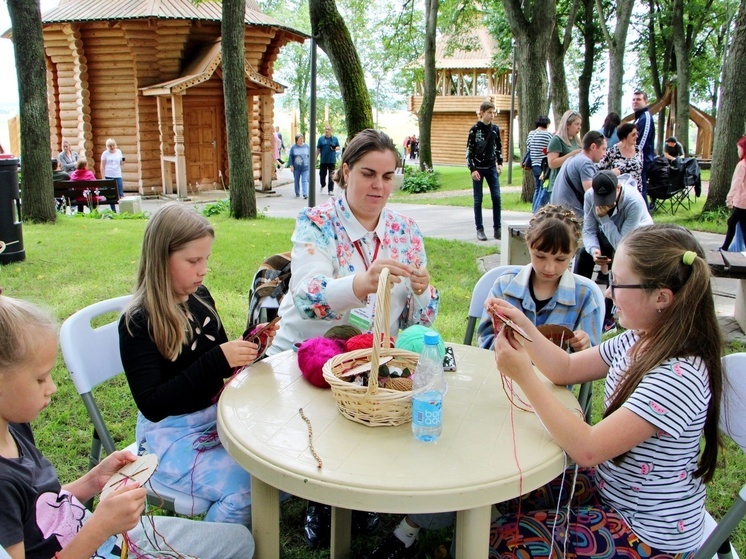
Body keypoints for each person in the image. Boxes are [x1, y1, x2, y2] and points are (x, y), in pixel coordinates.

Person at [362, 205, 604, 559]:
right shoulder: (505, 285)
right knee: (458, 453)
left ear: (573, 254)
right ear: (528, 246)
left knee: (488, 466)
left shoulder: (586, 295)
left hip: (551, 409)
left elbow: (589, 363)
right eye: (540, 256)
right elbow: (484, 349)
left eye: (561, 259)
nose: (550, 267)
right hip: (498, 393)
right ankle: (419, 523)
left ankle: (473, 523)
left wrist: (583, 344)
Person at [489, 223, 722, 558]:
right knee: (510, 485)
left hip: (648, 532)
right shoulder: (640, 338)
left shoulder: (678, 376)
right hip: (611, 489)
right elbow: (566, 369)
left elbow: (587, 450)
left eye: (617, 283)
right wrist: (523, 327)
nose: (608, 292)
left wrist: (524, 376)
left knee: (505, 541)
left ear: (661, 297)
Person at [266, 129, 440, 549]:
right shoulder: (317, 222)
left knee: (374, 412)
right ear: (344, 172)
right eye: (367, 174)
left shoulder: (405, 229)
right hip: (305, 357)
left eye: (388, 175)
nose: (379, 186)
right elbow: (307, 298)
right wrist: (360, 283)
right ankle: (320, 497)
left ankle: (358, 492)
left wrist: (423, 291)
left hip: (368, 363)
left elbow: (421, 320)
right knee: (324, 422)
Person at [0, 294, 254, 559]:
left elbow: (42, 507)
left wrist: (93, 480)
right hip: (95, 540)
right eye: (40, 379)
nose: (52, 387)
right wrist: (99, 528)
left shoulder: (14, 428)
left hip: (102, 537)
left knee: (239, 541)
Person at [119, 203, 275, 527]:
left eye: (206, 259)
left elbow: (217, 357)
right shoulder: (138, 321)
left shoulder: (199, 296)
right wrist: (217, 359)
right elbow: (153, 403)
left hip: (213, 416)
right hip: (168, 435)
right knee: (248, 489)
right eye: (193, 261)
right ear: (161, 258)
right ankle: (210, 546)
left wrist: (252, 346)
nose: (202, 270)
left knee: (276, 467)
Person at [578, 171, 653, 331]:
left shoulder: (634, 201)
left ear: (618, 188)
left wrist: (604, 218)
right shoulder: (590, 196)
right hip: (610, 233)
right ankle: (576, 303)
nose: (605, 204)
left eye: (609, 200)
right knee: (584, 253)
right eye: (601, 200)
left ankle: (608, 317)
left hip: (637, 238)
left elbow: (623, 246)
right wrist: (594, 251)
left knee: (619, 262)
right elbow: (589, 230)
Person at [466, 101, 503, 241]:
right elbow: (469, 151)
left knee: (497, 197)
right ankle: (479, 229)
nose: (492, 115)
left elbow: (498, 147)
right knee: (478, 199)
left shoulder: (495, 129)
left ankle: (497, 228)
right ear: (482, 113)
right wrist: (472, 169)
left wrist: (500, 163)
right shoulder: (474, 130)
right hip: (478, 169)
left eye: (493, 112)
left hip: (491, 168)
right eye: (489, 112)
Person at [550, 130, 607, 219]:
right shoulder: (585, 163)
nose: (605, 154)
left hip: (558, 213)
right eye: (603, 149)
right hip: (572, 217)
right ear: (593, 146)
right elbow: (592, 194)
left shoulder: (572, 159)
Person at [546, 110, 582, 201]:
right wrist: (571, 155)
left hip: (572, 184)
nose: (579, 127)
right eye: (576, 124)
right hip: (558, 184)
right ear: (568, 124)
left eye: (580, 124)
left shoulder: (577, 141)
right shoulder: (557, 139)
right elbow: (552, 163)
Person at [597, 122, 644, 193]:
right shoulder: (613, 151)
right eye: (633, 134)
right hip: (619, 192)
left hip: (636, 192)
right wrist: (611, 173)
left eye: (637, 133)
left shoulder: (638, 150)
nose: (636, 136)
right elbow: (599, 169)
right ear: (625, 136)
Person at [719, 136, 746, 251]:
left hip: (742, 201)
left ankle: (725, 248)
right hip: (743, 201)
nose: (738, 151)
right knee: (732, 221)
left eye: (739, 149)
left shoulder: (742, 165)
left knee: (744, 229)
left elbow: (736, 182)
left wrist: (729, 198)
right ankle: (724, 248)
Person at [632, 90, 656, 204]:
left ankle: (644, 218)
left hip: (642, 160)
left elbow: (642, 141)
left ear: (645, 101)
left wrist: (633, 157)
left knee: (640, 191)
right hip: (637, 159)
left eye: (638, 99)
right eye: (634, 99)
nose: (635, 102)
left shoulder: (645, 117)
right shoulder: (638, 118)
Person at [526, 115, 553, 213]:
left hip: (534, 165)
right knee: (543, 188)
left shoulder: (531, 134)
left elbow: (528, 149)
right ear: (546, 123)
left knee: (537, 189)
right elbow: (551, 149)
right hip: (544, 166)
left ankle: (533, 210)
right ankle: (536, 211)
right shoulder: (548, 135)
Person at [316, 125, 340, 195]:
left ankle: (330, 190)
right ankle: (323, 184)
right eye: (326, 129)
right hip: (323, 160)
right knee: (322, 174)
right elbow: (318, 149)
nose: (327, 131)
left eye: (328, 129)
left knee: (331, 175)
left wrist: (335, 148)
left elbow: (338, 147)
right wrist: (315, 158)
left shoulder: (335, 139)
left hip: (332, 160)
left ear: (331, 131)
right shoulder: (321, 139)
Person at [288, 133, 310, 199]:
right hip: (296, 168)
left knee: (304, 180)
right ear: (296, 140)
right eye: (300, 139)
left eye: (302, 138)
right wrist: (291, 165)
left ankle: (305, 194)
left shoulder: (306, 146)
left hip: (305, 167)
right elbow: (291, 157)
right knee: (296, 180)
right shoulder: (293, 148)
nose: (301, 140)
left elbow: (310, 156)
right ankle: (297, 192)